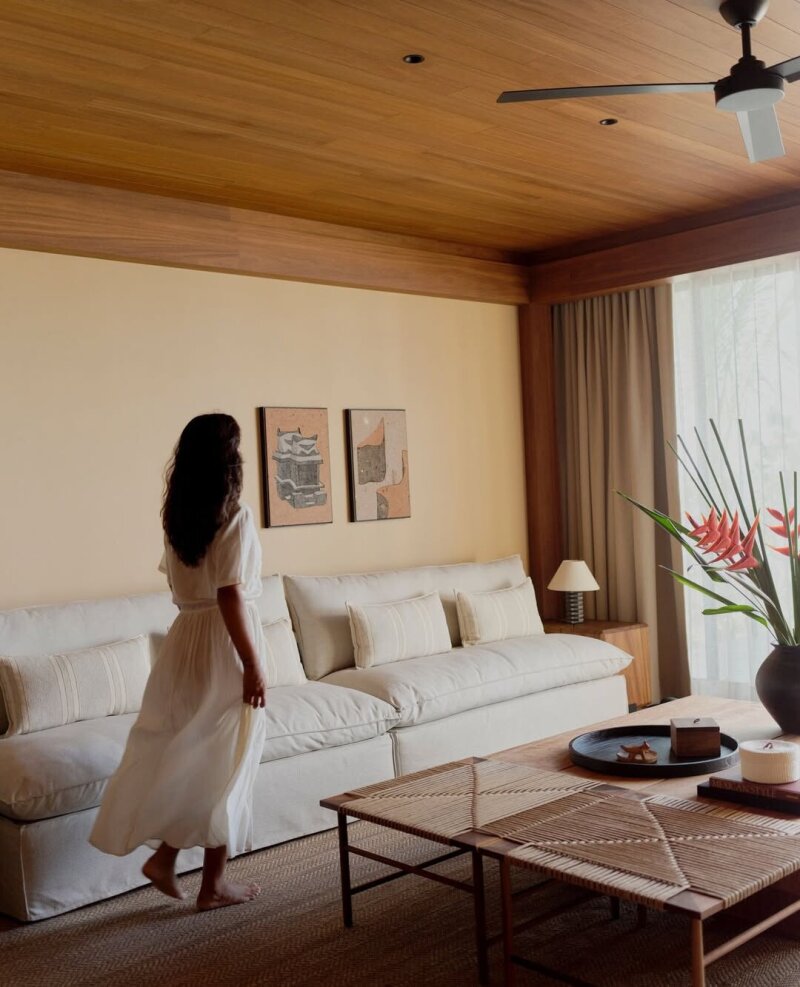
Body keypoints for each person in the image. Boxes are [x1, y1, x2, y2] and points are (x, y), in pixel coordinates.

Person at [90, 413, 268, 911]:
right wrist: (252, 663)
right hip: (223, 645)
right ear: (228, 461)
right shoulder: (234, 516)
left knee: (197, 758)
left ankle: (168, 859)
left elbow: (177, 584)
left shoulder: (177, 520)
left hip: (185, 640)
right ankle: (212, 885)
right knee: (227, 763)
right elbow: (229, 594)